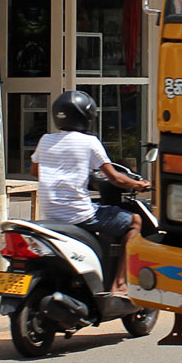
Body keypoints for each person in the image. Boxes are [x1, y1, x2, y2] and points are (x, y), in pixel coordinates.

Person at [30, 90, 149, 297]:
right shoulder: (89, 142)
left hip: (51, 215)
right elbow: (115, 178)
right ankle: (119, 283)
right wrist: (140, 184)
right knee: (135, 221)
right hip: (80, 215)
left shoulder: (46, 139)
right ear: (86, 116)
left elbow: (35, 171)